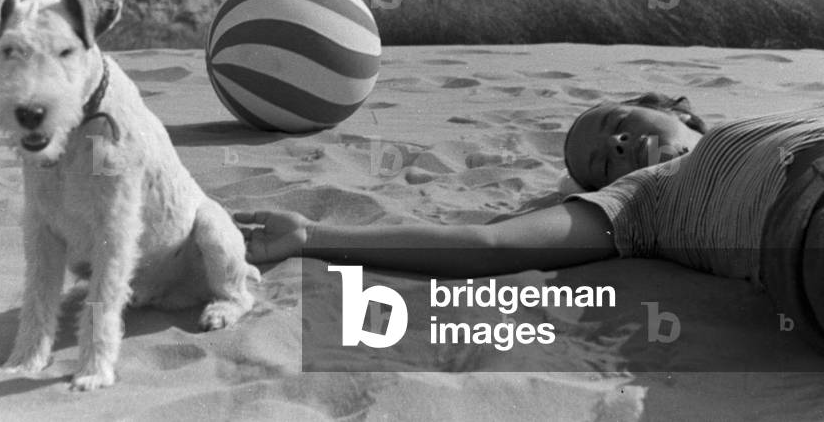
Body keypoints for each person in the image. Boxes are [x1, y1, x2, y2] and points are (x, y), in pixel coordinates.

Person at [234, 95, 824, 349]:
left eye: (620, 124)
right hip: (805, 217)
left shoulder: (767, 119)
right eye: (602, 162)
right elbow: (489, 245)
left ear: (674, 109)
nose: (618, 144)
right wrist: (313, 235)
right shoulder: (640, 198)